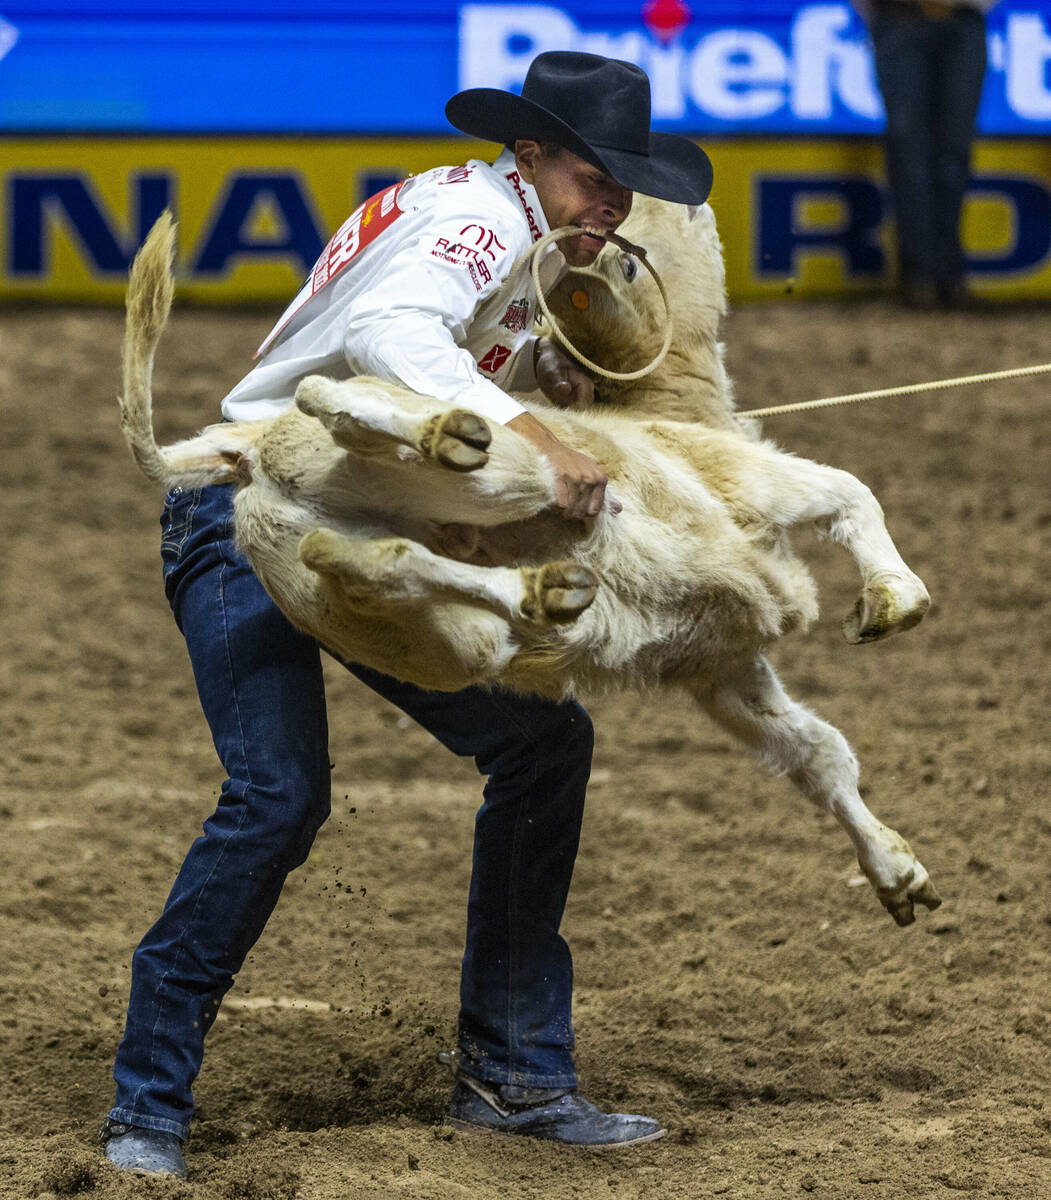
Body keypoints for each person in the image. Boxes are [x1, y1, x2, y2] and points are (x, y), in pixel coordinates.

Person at [99, 51, 714, 1177]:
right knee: (279, 797)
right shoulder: (477, 217)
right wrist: (535, 436)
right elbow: (390, 339)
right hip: (249, 514)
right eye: (597, 173)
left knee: (538, 746)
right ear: (529, 154)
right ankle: (146, 1108)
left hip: (360, 520)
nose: (617, 200)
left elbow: (418, 372)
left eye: (626, 181)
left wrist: (536, 385)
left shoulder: (496, 228)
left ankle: (513, 1074)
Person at [853, 0, 1000, 308]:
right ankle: (920, 277)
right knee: (911, 153)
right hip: (901, 17)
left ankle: (947, 277)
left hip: (962, 21)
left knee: (952, 153)